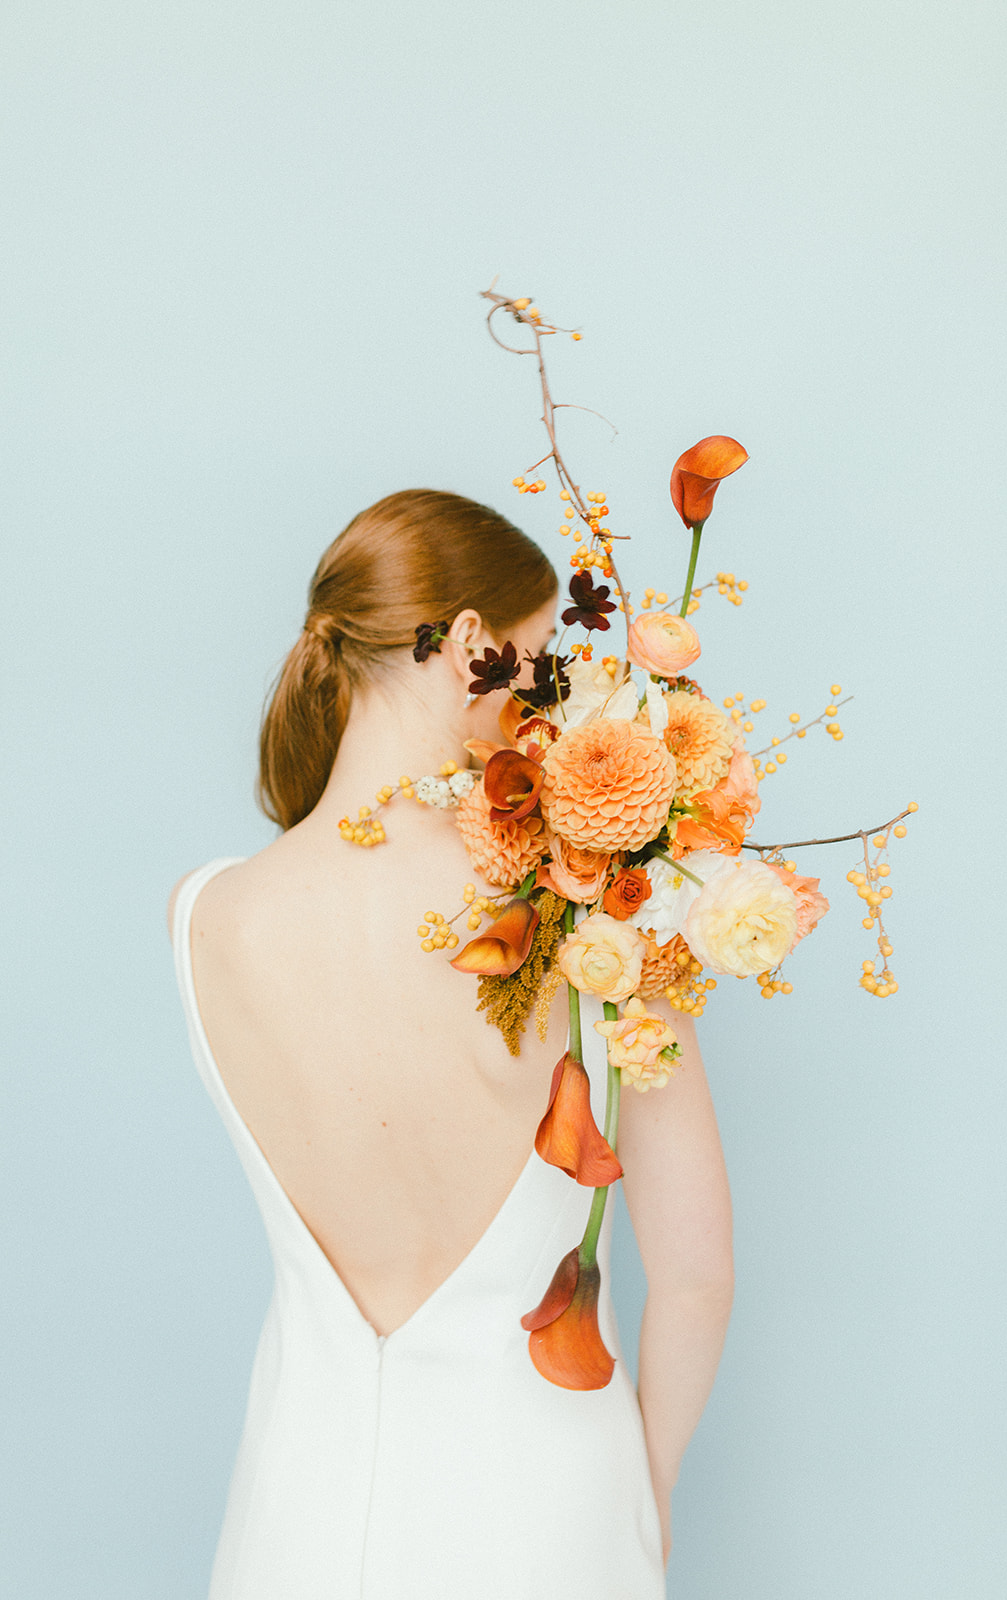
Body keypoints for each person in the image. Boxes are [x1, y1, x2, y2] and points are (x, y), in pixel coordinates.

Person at [167, 488, 734, 1599]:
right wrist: (649, 1494)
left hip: (300, 1511)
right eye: (531, 658)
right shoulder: (596, 915)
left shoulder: (207, 915)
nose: (537, 704)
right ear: (471, 644)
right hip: (547, 1512)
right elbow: (697, 1275)